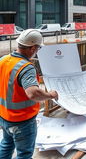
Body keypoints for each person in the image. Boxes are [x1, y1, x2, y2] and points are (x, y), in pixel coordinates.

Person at [0, 29, 58, 159]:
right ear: (32, 48)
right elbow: (33, 93)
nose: (37, 51)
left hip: (4, 116)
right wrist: (51, 95)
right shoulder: (26, 67)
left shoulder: (3, 60)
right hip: (21, 121)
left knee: (6, 145)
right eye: (38, 48)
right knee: (24, 154)